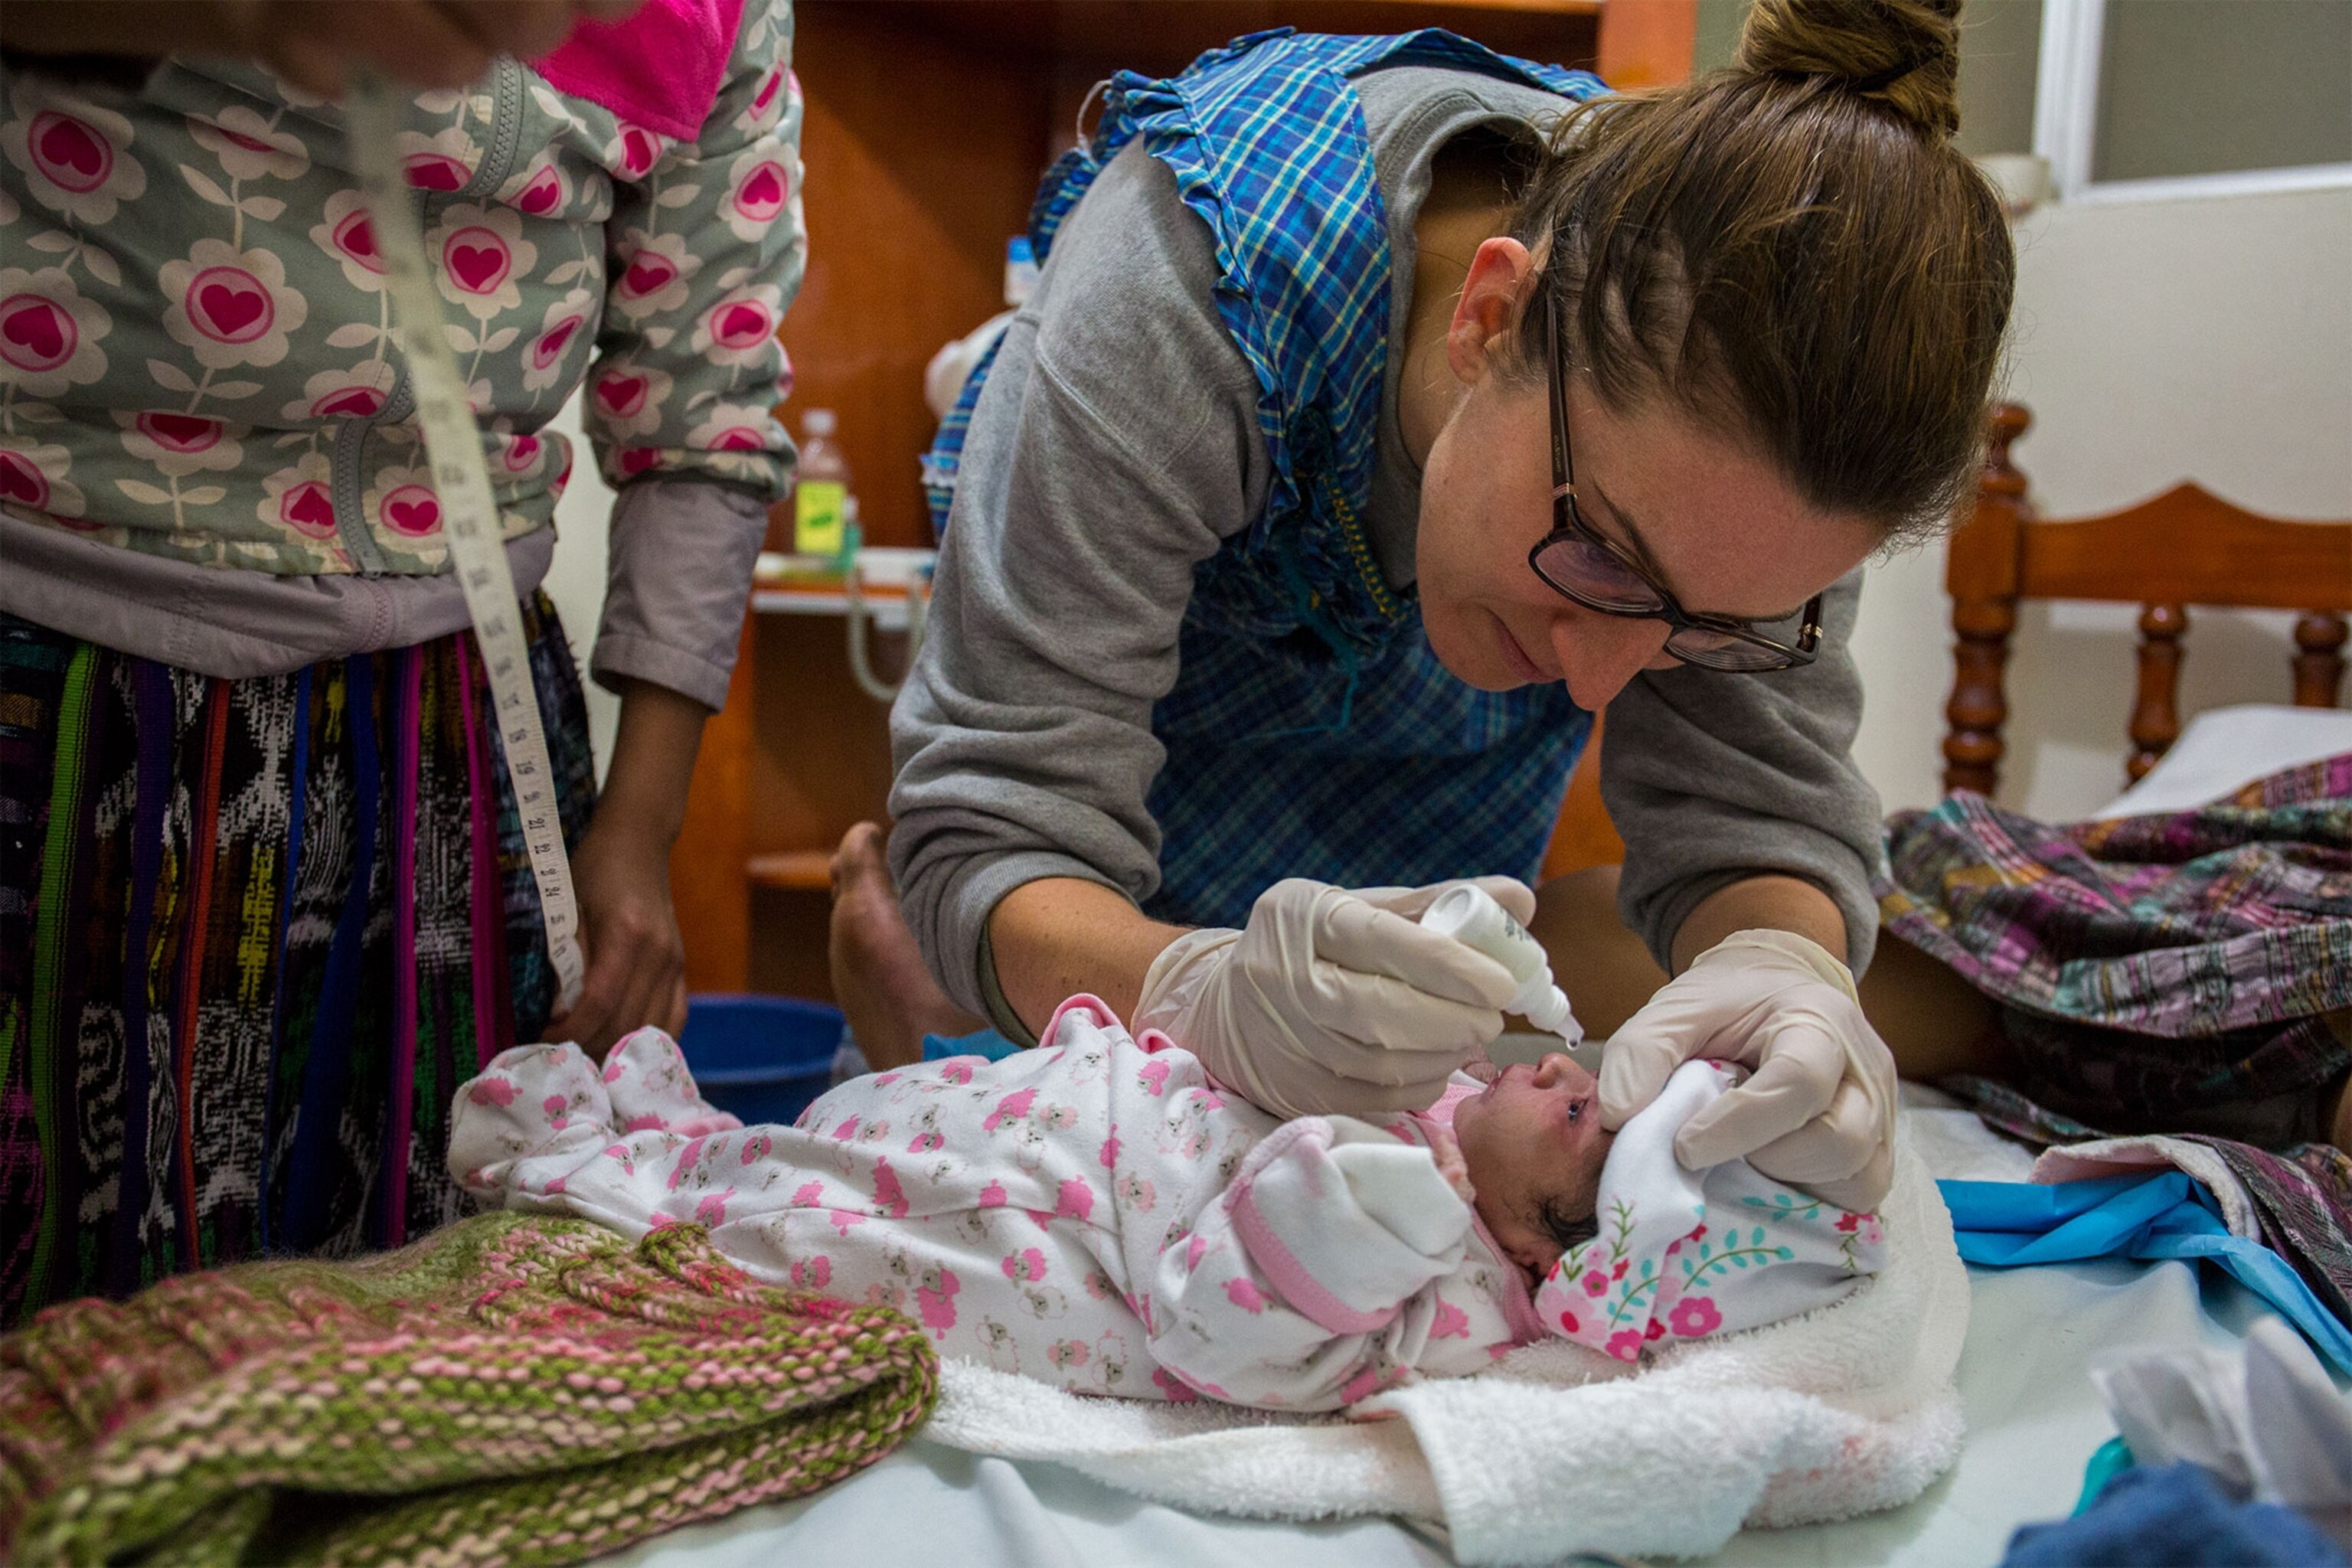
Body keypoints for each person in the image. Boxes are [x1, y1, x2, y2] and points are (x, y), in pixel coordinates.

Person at [848, 0, 2013, 1218]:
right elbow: (1005, 825)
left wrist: (1791, 971)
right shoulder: (1188, 280)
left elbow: (1751, 817)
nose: (1605, 684)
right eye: (1602, 559)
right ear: (1489, 319)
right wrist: (1199, 987)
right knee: (987, 1053)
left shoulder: (1775, 441)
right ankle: (916, 992)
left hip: (1436, 854)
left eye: (1703, 628)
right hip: (1116, 853)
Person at [0, 0, 804, 1323]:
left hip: (466, 727)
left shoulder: (712, 15)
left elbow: (706, 414)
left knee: (435, 1294)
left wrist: (640, 826)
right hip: (68, 668)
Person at [452, 992, 1880, 1409]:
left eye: (1589, 1125)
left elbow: (1229, 1327)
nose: (1575, 1075)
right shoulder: (1442, 1092)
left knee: (775, 1208)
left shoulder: (1441, 1297)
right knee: (850, 1109)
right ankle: (709, 1119)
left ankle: (611, 1174)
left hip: (1020, 1212)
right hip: (1065, 1098)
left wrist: (1356, 1212)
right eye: (1579, 1071)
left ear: (1536, 1246)